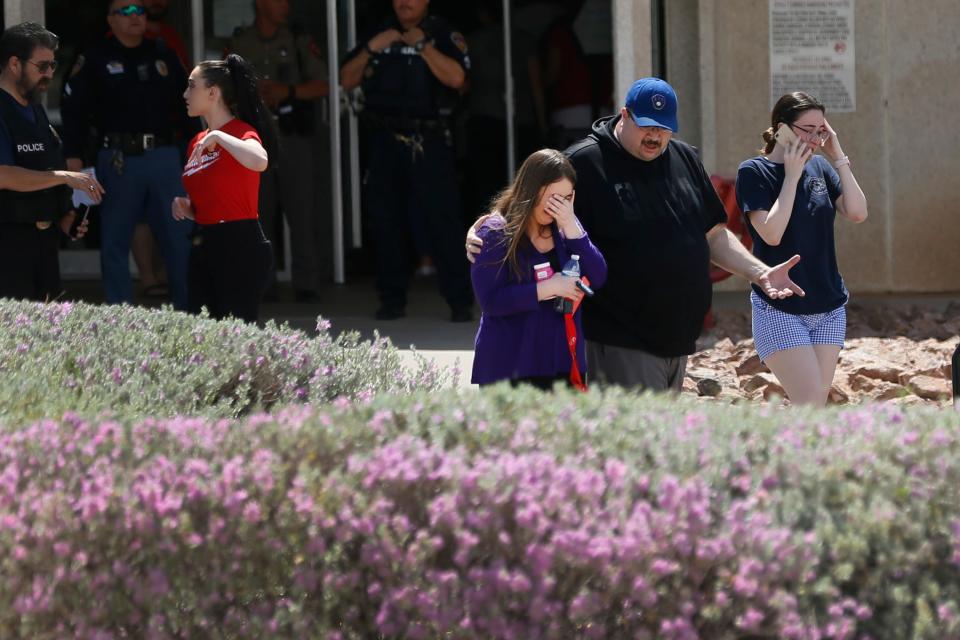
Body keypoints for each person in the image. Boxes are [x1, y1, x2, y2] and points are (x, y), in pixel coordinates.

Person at [468, 77, 805, 392]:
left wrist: (760, 273)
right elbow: (532, 203)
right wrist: (487, 225)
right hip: (619, 339)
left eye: (664, 128)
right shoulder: (585, 162)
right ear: (625, 115)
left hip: (679, 337)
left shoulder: (685, 158)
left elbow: (714, 234)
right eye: (647, 125)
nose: (655, 137)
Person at [340, 0, 474, 322]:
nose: (404, 2)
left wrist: (424, 47)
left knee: (442, 222)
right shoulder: (378, 30)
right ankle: (391, 300)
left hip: (428, 140)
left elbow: (458, 79)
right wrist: (373, 47)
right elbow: (346, 78)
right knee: (386, 222)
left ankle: (459, 301)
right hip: (385, 140)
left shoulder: (442, 33)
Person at [61, 0, 197, 310]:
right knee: (115, 241)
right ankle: (120, 318)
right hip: (118, 159)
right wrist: (73, 156)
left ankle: (188, 315)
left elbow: (189, 107)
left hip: (164, 156)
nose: (136, 17)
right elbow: (74, 112)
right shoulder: (94, 57)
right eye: (126, 11)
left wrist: (196, 150)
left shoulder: (163, 53)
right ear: (110, 19)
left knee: (178, 238)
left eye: (140, 11)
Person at [736, 91, 867, 406]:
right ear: (781, 129)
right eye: (807, 129)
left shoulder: (821, 168)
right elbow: (772, 234)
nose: (815, 138)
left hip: (828, 306)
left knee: (813, 407)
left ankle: (793, 455)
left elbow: (858, 213)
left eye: (820, 130)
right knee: (809, 403)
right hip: (780, 308)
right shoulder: (754, 172)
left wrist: (839, 157)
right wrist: (791, 177)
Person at [471, 149, 606, 389]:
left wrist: (572, 226)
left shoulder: (565, 229)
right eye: (553, 196)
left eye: (566, 198)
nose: (558, 206)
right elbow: (491, 301)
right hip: (509, 364)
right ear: (531, 188)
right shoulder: (493, 232)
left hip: (561, 362)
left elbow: (598, 276)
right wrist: (548, 288)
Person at [229, 0, 330, 304]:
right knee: (259, 211)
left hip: (292, 137)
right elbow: (223, 88)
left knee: (301, 210)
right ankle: (264, 282)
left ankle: (307, 282)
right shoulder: (239, 42)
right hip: (253, 139)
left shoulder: (299, 41)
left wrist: (288, 92)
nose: (285, 6)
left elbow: (324, 84)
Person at [0, 22, 103, 301]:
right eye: (42, 66)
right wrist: (64, 176)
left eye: (53, 65)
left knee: (48, 330)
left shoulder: (35, 111)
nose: (49, 74)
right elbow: (4, 175)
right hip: (9, 245)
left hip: (44, 245)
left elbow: (42, 169)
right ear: (14, 64)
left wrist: (65, 217)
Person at [173, 54, 277, 323]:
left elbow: (260, 160)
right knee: (203, 331)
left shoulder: (240, 132)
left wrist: (220, 136)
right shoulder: (197, 139)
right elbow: (214, 198)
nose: (185, 93)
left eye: (191, 85)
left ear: (212, 92)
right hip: (206, 240)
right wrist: (188, 208)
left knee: (237, 331)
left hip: (240, 242)